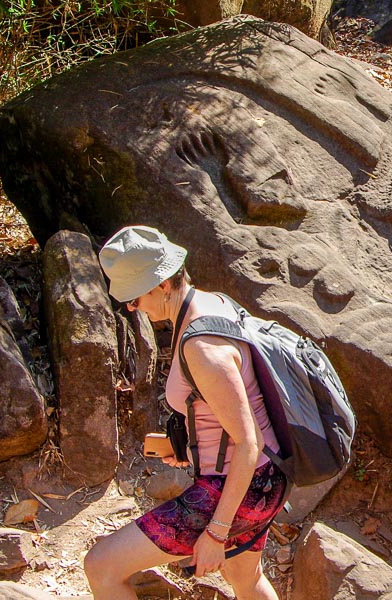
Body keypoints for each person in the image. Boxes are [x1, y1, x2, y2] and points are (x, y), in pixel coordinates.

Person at [83, 226, 285, 600]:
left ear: (162, 283)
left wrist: (216, 532)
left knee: (101, 565)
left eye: (135, 296)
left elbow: (247, 443)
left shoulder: (202, 345)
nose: (132, 307)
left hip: (239, 485)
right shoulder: (215, 304)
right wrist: (189, 448)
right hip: (263, 479)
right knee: (246, 579)